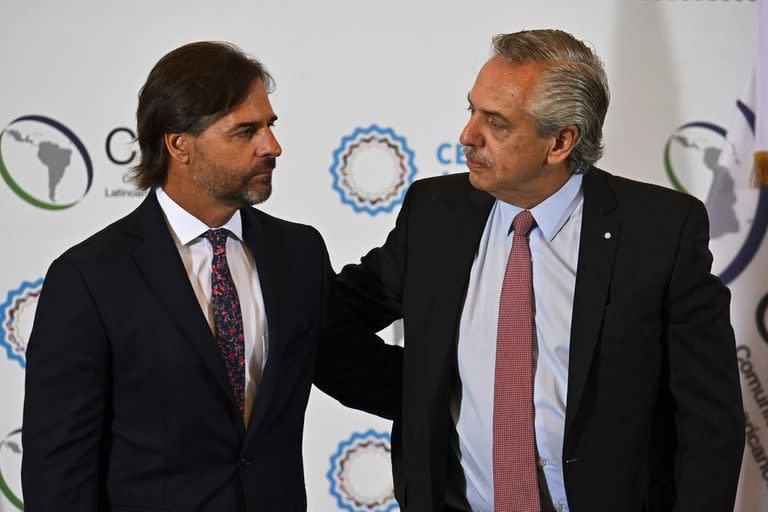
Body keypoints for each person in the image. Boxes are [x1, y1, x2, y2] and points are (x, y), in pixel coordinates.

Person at [330, 29, 745, 511]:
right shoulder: (434, 212)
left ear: (561, 142)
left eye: (497, 123)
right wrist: (419, 394)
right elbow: (331, 318)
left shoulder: (660, 230)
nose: (468, 136)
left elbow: (709, 420)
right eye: (472, 110)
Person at [22, 41, 398, 511]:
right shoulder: (89, 278)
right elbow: (59, 472)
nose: (272, 146)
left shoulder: (298, 252)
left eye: (270, 126)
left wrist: (486, 396)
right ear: (179, 144)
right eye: (245, 132)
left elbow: (353, 370)